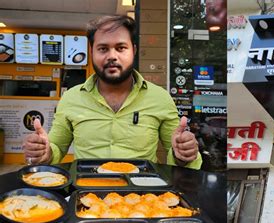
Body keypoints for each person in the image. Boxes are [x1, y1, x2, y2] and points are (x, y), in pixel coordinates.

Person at [22, 15, 201, 169]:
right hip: (87, 195)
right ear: (91, 52)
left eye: (121, 48)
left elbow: (176, 155)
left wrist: (183, 153)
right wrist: (43, 153)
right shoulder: (71, 98)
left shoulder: (160, 98)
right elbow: (56, 149)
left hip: (143, 198)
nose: (112, 56)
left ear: (134, 51)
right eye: (103, 48)